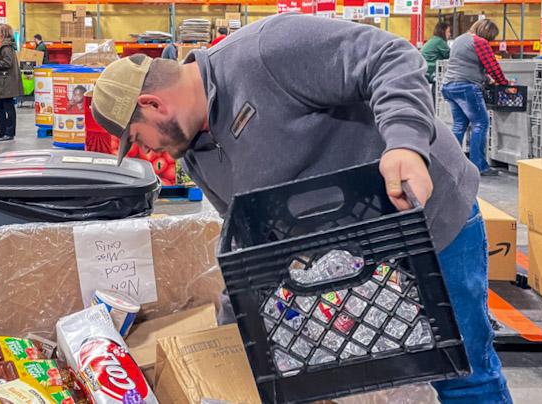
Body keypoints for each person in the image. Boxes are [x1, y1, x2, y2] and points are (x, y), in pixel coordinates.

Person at [90, 13, 512, 403]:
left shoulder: (267, 52)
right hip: (356, 259)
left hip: (428, 224)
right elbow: (252, 238)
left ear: (151, 105)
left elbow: (389, 56)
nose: (147, 151)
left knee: (463, 370)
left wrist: (405, 143)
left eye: (139, 139)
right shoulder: (196, 154)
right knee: (392, 368)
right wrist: (230, 337)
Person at [442, 19, 509, 176]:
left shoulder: (459, 40)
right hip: (466, 88)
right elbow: (492, 66)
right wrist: (504, 84)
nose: (489, 41)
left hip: (449, 86)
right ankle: (479, 166)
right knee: (480, 123)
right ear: (487, 32)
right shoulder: (479, 42)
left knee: (459, 125)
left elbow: (467, 65)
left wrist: (486, 79)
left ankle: (450, 163)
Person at [421, 21, 451, 89]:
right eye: (448, 31)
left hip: (426, 70)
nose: (450, 34)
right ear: (443, 31)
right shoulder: (439, 41)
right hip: (432, 72)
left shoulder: (433, 39)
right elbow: (450, 55)